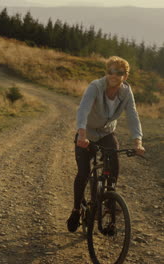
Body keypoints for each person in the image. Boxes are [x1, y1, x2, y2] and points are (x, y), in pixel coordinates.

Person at [67, 56, 145, 232]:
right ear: (106, 72)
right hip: (87, 132)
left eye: (119, 72)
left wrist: (137, 141)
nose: (114, 75)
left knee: (114, 165)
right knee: (84, 172)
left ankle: (109, 205)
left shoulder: (126, 92)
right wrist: (82, 134)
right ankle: (76, 210)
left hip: (107, 133)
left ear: (125, 76)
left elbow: (133, 115)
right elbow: (84, 109)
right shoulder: (96, 86)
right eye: (110, 71)